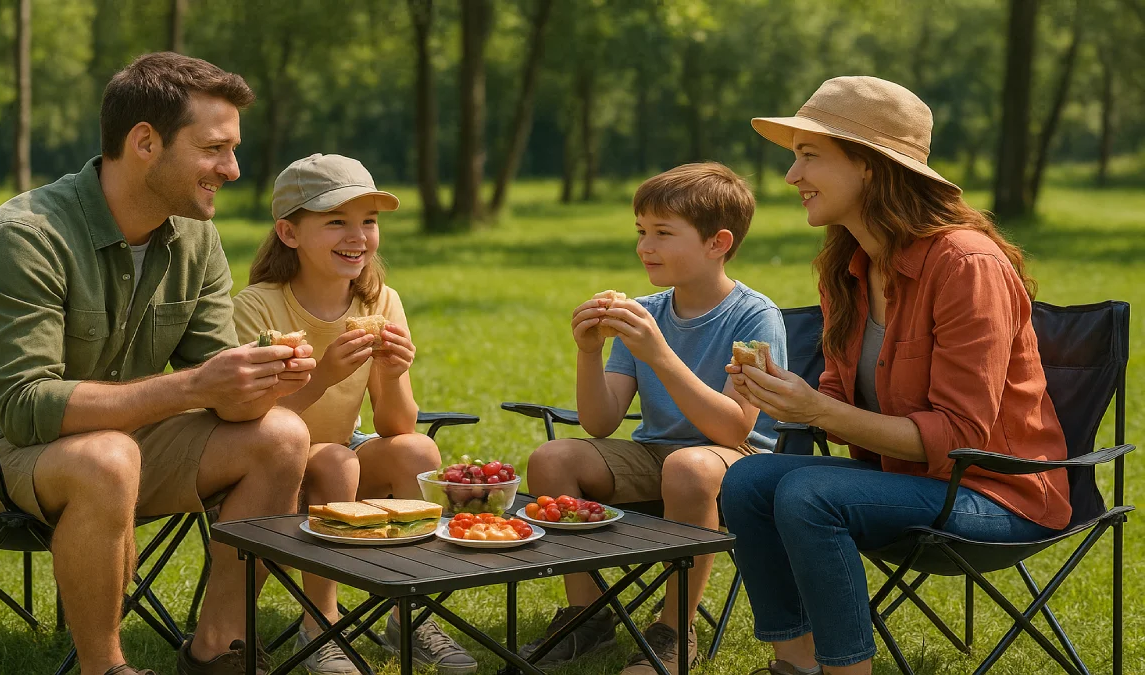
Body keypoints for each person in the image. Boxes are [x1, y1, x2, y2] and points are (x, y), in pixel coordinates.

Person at [0, 52, 318, 675]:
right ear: (145, 142)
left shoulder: (195, 239)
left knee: (280, 437)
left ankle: (217, 654)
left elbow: (215, 380)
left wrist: (260, 378)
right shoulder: (24, 238)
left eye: (233, 149)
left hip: (117, 446)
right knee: (107, 456)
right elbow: (24, 406)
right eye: (214, 149)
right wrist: (196, 386)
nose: (232, 169)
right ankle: (107, 669)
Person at [720, 76, 1071, 675]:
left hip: (995, 494)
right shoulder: (848, 264)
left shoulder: (966, 264)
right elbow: (839, 395)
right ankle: (796, 664)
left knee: (810, 494)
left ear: (873, 169)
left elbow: (961, 435)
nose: (791, 177)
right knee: (749, 482)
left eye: (810, 156)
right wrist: (780, 394)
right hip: (898, 482)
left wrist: (819, 411)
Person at [521, 162, 788, 674]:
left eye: (663, 234)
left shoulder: (756, 317)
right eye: (641, 232)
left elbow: (734, 427)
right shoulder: (647, 310)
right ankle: (588, 617)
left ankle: (673, 630)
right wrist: (588, 351)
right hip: (654, 452)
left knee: (688, 466)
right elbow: (600, 423)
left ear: (718, 243)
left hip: (736, 462)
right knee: (553, 457)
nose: (645, 247)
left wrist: (660, 353)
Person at [232, 154, 476, 675]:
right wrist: (321, 375)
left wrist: (391, 369)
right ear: (289, 232)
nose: (358, 235)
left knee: (419, 450)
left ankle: (408, 612)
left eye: (369, 221)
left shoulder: (381, 301)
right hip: (269, 466)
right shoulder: (256, 307)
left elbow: (396, 426)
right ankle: (321, 624)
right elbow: (252, 418)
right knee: (337, 463)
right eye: (337, 221)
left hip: (344, 450)